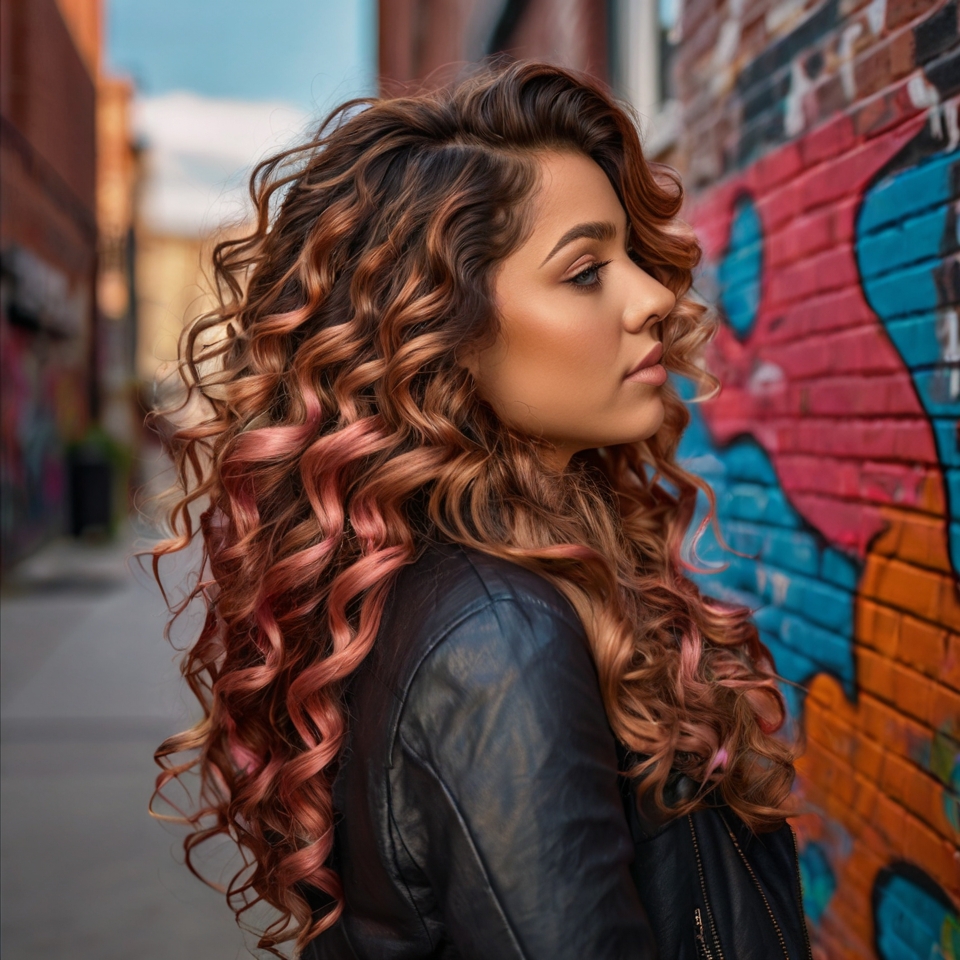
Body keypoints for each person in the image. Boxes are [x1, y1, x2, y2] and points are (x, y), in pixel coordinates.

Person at [152, 61, 812, 959]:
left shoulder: (461, 577)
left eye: (630, 257)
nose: (654, 298)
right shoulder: (499, 637)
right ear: (441, 336)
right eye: (586, 271)